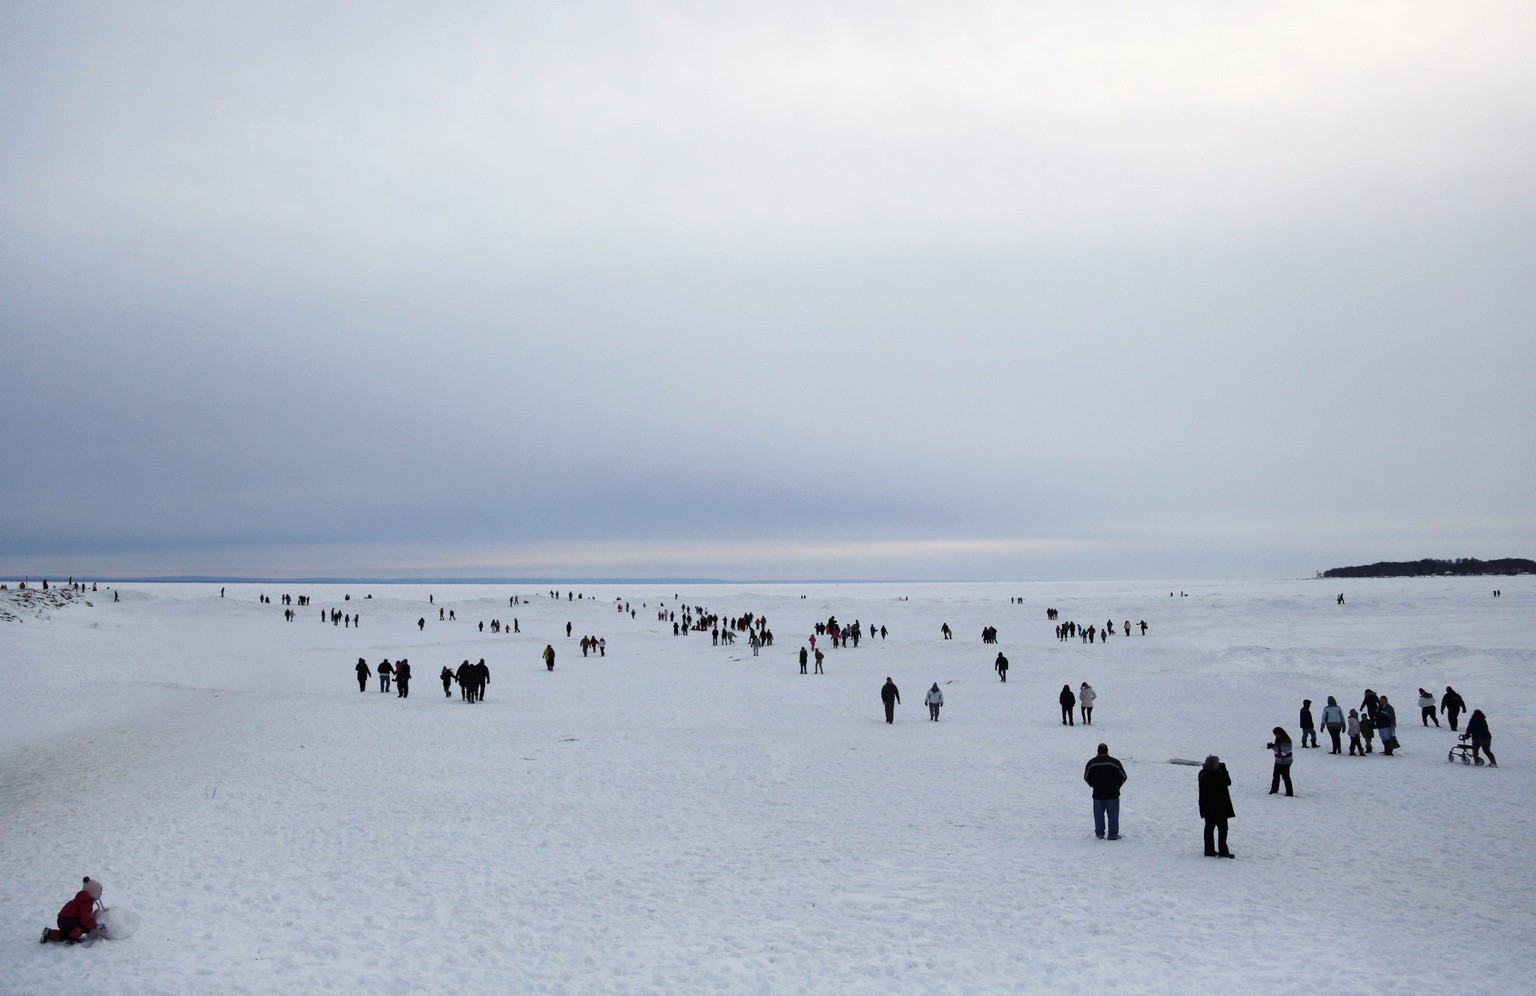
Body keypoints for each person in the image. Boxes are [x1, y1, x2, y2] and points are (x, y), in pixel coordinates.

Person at [1083, 743, 1127, 840]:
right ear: (1107, 751)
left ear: (1097, 751)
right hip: (1113, 794)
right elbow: (1124, 776)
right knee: (1113, 816)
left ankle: (1099, 834)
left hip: (1098, 794)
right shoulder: (1115, 763)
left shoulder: (1092, 763)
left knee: (1098, 816)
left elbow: (1086, 777)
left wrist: (1093, 785)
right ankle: (1112, 834)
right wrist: (1117, 786)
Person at [42, 877, 103, 944]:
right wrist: (96, 926)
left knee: (64, 935)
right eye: (100, 891)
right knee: (85, 926)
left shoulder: (81, 899)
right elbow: (85, 921)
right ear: (93, 892)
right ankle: (73, 938)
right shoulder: (86, 904)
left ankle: (49, 933)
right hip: (69, 920)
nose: (101, 894)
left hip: (61, 920)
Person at [1198, 756, 1236, 858]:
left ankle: (1209, 850)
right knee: (1222, 829)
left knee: (1209, 828)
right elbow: (1227, 782)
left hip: (1207, 806)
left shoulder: (1202, 773)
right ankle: (1223, 851)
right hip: (1219, 807)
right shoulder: (1215, 775)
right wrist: (1223, 770)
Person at [1267, 727, 1294, 796]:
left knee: (1286, 777)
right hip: (1278, 761)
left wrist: (1273, 747)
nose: (1276, 736)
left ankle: (1289, 793)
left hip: (1286, 762)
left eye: (1276, 734)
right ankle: (1274, 790)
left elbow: (1283, 753)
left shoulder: (1286, 741)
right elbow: (1278, 748)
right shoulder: (1278, 739)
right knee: (1275, 776)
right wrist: (1272, 746)